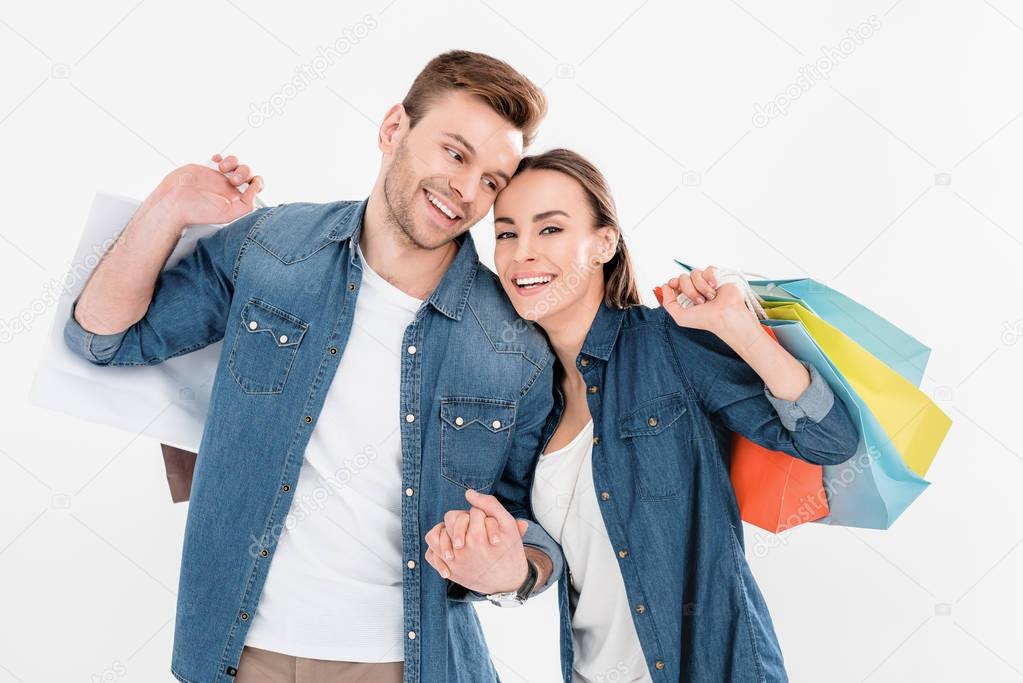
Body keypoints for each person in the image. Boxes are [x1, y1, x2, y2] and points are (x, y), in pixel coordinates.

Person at [63, 50, 565, 683]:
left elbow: (543, 533)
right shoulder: (272, 248)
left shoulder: (515, 347)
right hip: (237, 653)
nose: (466, 191)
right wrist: (167, 207)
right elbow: (104, 338)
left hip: (402, 663)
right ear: (392, 129)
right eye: (455, 153)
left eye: (493, 180)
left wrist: (512, 572)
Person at [424, 149, 860, 682]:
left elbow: (829, 439)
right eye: (508, 234)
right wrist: (509, 574)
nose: (523, 255)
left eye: (551, 229)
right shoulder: (521, 396)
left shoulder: (667, 344)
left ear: (604, 242)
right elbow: (532, 543)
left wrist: (738, 329)